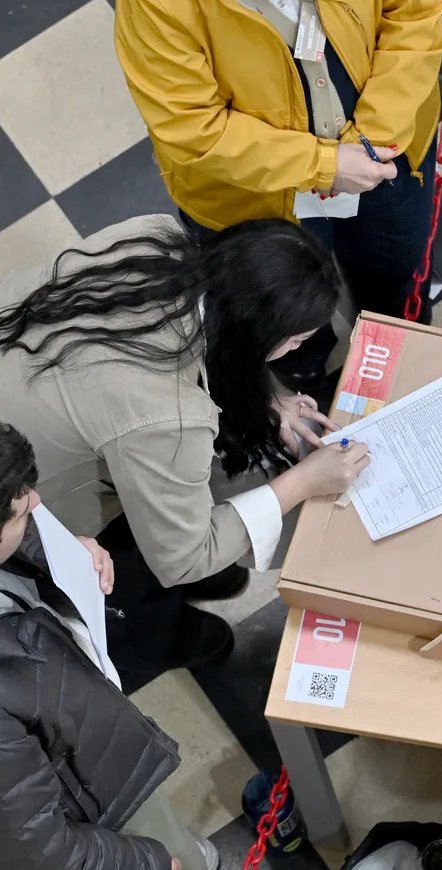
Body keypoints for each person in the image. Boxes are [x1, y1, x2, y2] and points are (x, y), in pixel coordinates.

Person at [113, 0, 442, 395]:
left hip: (382, 145)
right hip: (249, 192)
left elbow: (415, 13)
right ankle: (307, 376)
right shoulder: (155, 8)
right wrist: (326, 165)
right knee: (284, 314)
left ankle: (398, 345)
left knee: (396, 268)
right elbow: (192, 128)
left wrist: (374, 138)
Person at [0, 215, 371, 677]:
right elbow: (183, 556)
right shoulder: (167, 418)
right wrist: (304, 481)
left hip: (24, 377)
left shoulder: (154, 236)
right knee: (123, 574)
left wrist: (260, 400)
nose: (294, 351)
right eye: (294, 340)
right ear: (253, 334)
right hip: (30, 495)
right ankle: (156, 640)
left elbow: (191, 346)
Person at [0, 421, 216, 870]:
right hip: (92, 808)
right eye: (18, 511)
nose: (36, 501)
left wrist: (57, 553)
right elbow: (42, 850)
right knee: (166, 842)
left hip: (86, 747)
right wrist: (150, 862)